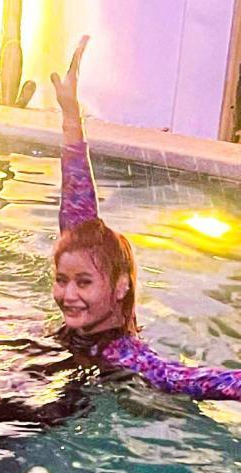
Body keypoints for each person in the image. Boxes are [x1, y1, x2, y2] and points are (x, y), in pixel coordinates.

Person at [52, 37, 241, 400]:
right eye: (62, 280)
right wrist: (70, 116)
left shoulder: (127, 357)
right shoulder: (80, 324)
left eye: (84, 282)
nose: (68, 294)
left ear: (120, 286)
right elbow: (77, 217)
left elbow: (196, 379)